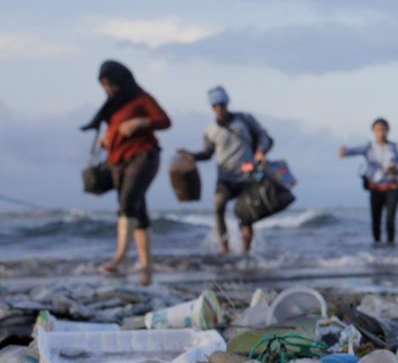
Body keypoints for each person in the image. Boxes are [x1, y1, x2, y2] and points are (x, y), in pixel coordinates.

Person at [81, 60, 171, 285]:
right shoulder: (113, 105)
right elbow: (113, 130)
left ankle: (118, 258)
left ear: (120, 80)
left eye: (109, 83)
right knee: (137, 210)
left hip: (143, 156)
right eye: (103, 85)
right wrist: (107, 140)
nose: (107, 89)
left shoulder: (142, 98)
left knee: (128, 201)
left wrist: (140, 122)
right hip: (118, 162)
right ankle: (146, 264)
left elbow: (164, 120)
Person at [180, 86, 273, 254]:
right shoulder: (210, 130)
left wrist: (260, 150)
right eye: (216, 105)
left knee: (247, 215)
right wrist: (192, 156)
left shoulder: (244, 120)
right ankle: (224, 248)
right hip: (225, 178)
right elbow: (208, 153)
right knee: (218, 206)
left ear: (227, 103)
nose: (219, 108)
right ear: (212, 107)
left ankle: (246, 250)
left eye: (222, 104)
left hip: (247, 176)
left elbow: (263, 136)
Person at [339, 118, 398, 245]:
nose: (381, 132)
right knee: (376, 219)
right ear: (373, 131)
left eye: (383, 129)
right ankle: (377, 247)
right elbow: (352, 151)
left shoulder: (395, 147)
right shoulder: (368, 147)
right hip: (375, 188)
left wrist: (396, 168)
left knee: (390, 220)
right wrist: (345, 151)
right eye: (378, 129)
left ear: (388, 130)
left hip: (392, 187)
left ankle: (391, 247)